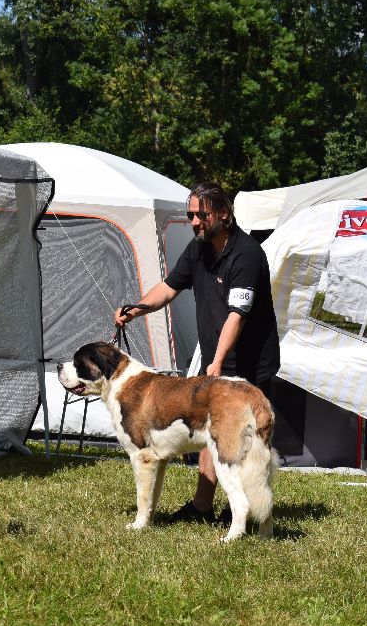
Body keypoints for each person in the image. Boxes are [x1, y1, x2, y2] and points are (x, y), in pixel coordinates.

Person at [113, 181, 280, 524]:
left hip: (249, 359)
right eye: (190, 215)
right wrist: (138, 309)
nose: (194, 221)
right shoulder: (199, 249)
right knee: (212, 434)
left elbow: (237, 316)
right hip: (216, 357)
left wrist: (216, 362)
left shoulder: (247, 255)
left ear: (223, 214)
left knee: (238, 444)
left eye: (200, 214)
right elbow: (169, 287)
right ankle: (207, 508)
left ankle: (248, 513)